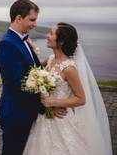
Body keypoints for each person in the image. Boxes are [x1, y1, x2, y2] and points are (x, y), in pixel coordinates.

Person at [23, 23, 112, 155]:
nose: (47, 36)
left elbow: (81, 99)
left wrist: (53, 103)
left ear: (61, 42)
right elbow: (34, 71)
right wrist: (31, 48)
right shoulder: (51, 59)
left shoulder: (69, 68)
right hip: (44, 119)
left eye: (51, 34)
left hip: (61, 119)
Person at [0, 0, 47, 155]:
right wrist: (48, 100)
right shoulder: (7, 44)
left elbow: (30, 69)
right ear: (19, 18)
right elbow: (19, 83)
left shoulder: (23, 39)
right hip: (16, 114)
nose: (35, 24)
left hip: (25, 112)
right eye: (32, 19)